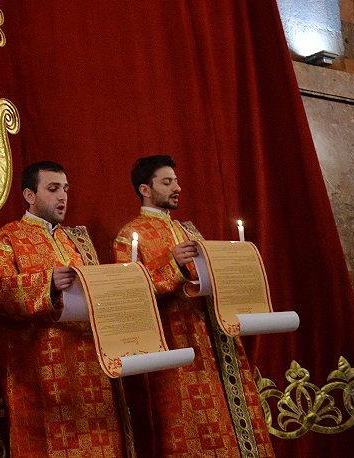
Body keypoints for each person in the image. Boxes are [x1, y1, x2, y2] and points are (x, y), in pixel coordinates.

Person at [113, 155, 274, 458]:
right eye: (167, 182)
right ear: (145, 190)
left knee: (232, 419)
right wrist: (172, 263)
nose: (177, 187)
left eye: (176, 181)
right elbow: (130, 294)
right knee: (189, 427)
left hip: (216, 338)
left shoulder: (189, 230)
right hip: (177, 343)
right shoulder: (129, 235)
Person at [0, 161, 129, 457]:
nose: (63, 196)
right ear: (29, 195)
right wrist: (46, 284)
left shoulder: (78, 240)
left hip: (91, 367)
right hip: (40, 371)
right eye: (53, 189)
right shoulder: (8, 237)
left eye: (65, 189)